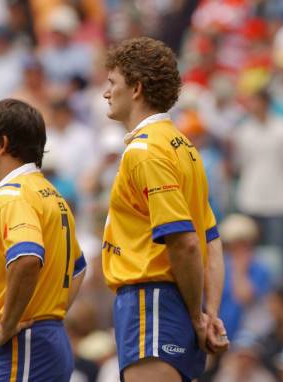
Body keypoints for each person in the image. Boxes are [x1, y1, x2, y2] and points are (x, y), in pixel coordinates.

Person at [101, 36, 228, 382]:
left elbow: (186, 242)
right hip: (173, 304)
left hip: (151, 303)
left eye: (112, 82)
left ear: (137, 88)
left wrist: (197, 315)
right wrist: (209, 310)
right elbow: (211, 239)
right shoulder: (185, 148)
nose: (105, 92)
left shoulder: (145, 151)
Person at [0, 99, 87, 381]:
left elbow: (26, 259)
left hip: (20, 345)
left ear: (2, 144)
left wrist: (10, 323)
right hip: (45, 338)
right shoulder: (52, 196)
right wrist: (50, 312)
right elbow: (78, 268)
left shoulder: (12, 195)